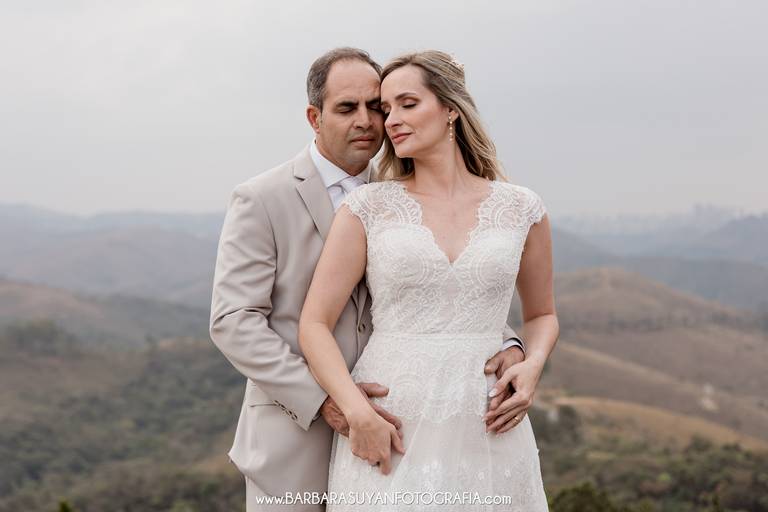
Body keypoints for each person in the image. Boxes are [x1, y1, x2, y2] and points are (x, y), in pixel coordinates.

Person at [210, 47, 527, 511]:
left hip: (403, 432)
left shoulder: (401, 194)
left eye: (375, 107)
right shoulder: (262, 198)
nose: (366, 121)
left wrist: (509, 342)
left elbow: (445, 284)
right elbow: (234, 322)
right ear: (315, 117)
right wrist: (327, 401)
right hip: (296, 433)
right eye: (346, 108)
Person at [298, 50, 558, 511]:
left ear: (451, 108)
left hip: (488, 423)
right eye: (387, 109)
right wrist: (357, 413)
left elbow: (541, 315)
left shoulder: (522, 208)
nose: (391, 120)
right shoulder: (367, 208)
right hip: (392, 424)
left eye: (408, 104)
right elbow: (314, 323)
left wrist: (532, 364)